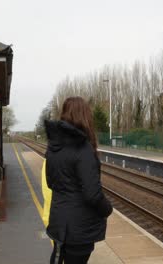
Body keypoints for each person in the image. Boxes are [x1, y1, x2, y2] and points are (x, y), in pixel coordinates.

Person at [44, 96, 113, 264]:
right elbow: (92, 194)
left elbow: (50, 182)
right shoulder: (83, 149)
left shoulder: (54, 147)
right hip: (79, 229)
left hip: (59, 222)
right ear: (85, 116)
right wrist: (107, 209)